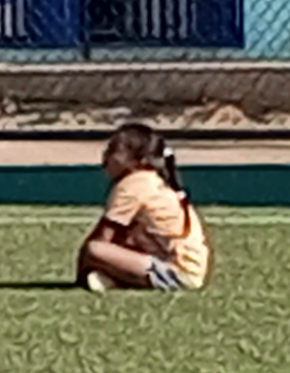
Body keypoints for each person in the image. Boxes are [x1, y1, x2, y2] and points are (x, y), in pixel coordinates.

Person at [79, 122, 213, 292]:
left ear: (138, 160)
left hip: (177, 271)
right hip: (191, 268)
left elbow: (102, 239)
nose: (105, 157)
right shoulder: (153, 178)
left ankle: (117, 278)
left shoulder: (134, 184)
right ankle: (115, 278)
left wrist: (82, 272)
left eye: (114, 151)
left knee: (95, 249)